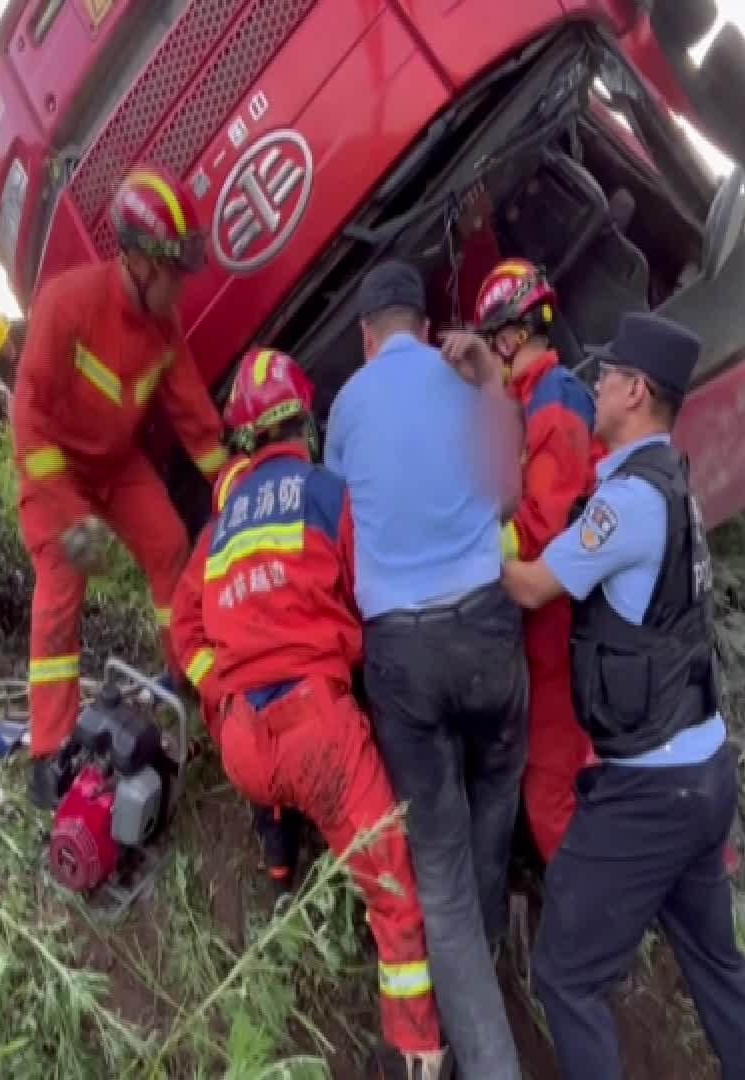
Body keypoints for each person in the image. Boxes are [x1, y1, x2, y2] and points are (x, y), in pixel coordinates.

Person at [499, 312, 745, 1080]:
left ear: (635, 389)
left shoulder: (624, 505)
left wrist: (472, 527)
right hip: (704, 772)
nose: (594, 385)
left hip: (651, 793)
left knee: (565, 973)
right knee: (717, 967)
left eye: (607, 375)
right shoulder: (671, 483)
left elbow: (529, 586)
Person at [198, 346, 449, 1078]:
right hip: (319, 740)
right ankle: (414, 1057)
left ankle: (277, 875)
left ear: (246, 439)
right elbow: (370, 595)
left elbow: (199, 626)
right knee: (395, 897)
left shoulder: (218, 527)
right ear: (302, 424)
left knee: (275, 783)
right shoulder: (329, 495)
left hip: (243, 740)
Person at [324, 260, 528, 1080]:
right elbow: (509, 499)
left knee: (434, 871)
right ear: (424, 321)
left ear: (370, 336)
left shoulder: (347, 403)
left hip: (402, 654)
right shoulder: (464, 383)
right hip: (487, 630)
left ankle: (488, 1053)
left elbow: (343, 508)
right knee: (501, 774)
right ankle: (484, 943)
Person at [13, 164, 229, 810]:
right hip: (58, 477)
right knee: (60, 596)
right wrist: (72, 517)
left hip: (116, 469)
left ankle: (180, 674)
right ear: (139, 262)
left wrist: (235, 480)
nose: (182, 290)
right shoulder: (67, 303)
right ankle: (48, 750)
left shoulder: (164, 331)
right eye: (175, 274)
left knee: (168, 545)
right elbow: (29, 420)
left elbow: (194, 417)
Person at [473, 258, 599, 863]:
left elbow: (540, 528)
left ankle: (588, 925)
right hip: (554, 622)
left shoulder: (555, 400)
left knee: (550, 788)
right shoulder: (531, 404)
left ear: (510, 338)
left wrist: (470, 544)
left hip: (560, 622)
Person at [171, 450, 307, 912]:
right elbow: (186, 629)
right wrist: (223, 689)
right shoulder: (220, 541)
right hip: (248, 701)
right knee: (269, 798)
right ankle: (281, 882)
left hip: (285, 691)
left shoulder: (243, 531)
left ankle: (291, 870)